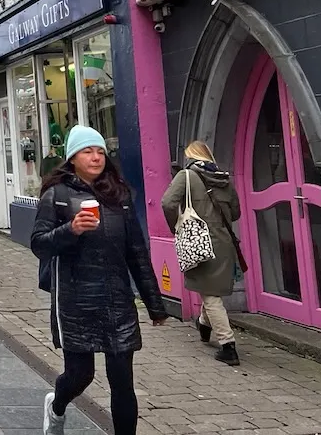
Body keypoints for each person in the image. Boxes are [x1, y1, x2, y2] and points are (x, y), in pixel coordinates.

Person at [31, 124, 168, 435]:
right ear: (72, 158)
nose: (95, 157)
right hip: (75, 301)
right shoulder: (58, 195)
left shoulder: (119, 197)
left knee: (122, 382)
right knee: (80, 375)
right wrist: (71, 230)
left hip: (118, 301)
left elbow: (136, 252)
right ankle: (57, 405)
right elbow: (39, 243)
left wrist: (154, 305)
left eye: (100, 151)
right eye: (87, 151)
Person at [160, 140, 243, 366]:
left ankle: (228, 346)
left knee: (211, 295)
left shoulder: (186, 176)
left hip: (199, 242)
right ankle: (204, 325)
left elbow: (167, 202)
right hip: (224, 243)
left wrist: (176, 224)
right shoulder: (224, 179)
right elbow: (236, 213)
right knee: (210, 290)